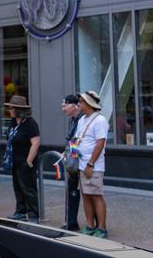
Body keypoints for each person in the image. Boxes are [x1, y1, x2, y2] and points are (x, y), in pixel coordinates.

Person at [76, 91, 109, 239]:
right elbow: (77, 140)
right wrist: (73, 157)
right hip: (81, 165)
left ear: (89, 104)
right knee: (86, 196)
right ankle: (90, 226)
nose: (79, 104)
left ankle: (101, 229)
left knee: (96, 196)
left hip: (93, 166)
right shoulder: (82, 119)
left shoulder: (100, 120)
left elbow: (100, 143)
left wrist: (90, 164)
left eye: (81, 102)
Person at [6, 95, 40, 223]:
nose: (9, 110)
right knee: (18, 187)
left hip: (25, 161)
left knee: (28, 188)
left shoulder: (30, 123)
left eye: (11, 108)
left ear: (18, 109)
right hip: (15, 160)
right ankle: (20, 211)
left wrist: (29, 161)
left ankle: (33, 215)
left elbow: (35, 143)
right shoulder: (14, 122)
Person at [61, 94, 82, 231]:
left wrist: (72, 158)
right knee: (72, 190)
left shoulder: (81, 120)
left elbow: (77, 140)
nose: (63, 109)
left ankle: (97, 225)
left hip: (80, 160)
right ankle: (72, 221)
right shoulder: (72, 120)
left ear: (75, 106)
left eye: (65, 105)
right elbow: (71, 141)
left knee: (85, 193)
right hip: (73, 158)